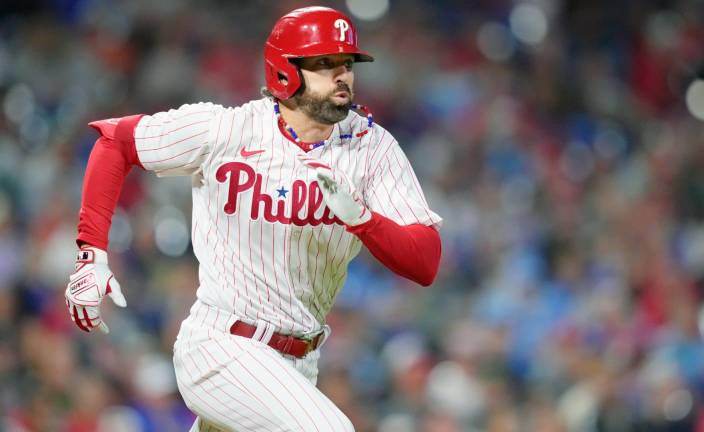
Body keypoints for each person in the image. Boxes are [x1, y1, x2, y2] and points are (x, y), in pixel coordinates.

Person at [65, 6, 442, 431]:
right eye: (324, 64)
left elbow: (425, 261)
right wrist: (90, 253)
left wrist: (364, 220)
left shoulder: (372, 148)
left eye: (347, 64)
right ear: (284, 72)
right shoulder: (229, 129)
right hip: (221, 345)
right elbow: (115, 141)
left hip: (299, 363)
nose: (342, 76)